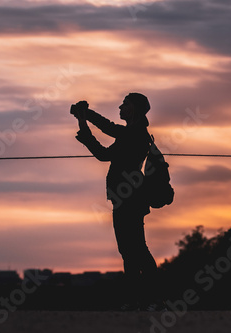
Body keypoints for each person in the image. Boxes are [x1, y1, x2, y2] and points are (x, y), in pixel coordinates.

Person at [72, 93, 165, 311]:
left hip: (131, 198)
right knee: (128, 251)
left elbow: (109, 128)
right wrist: (82, 122)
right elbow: (103, 155)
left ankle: (153, 300)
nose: (121, 106)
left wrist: (87, 114)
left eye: (126, 104)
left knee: (138, 250)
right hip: (121, 198)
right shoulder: (129, 135)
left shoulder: (136, 133)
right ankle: (137, 301)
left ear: (136, 109)